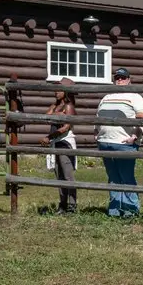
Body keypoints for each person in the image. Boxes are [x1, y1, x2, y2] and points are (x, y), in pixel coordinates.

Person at [95, 68, 143, 218]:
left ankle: (131, 209)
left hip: (124, 142)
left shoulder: (135, 97)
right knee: (113, 177)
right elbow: (98, 116)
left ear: (129, 79)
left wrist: (135, 135)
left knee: (126, 176)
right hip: (105, 142)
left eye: (123, 77)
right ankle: (115, 209)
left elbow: (142, 117)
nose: (120, 80)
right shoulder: (106, 97)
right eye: (117, 77)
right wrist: (96, 133)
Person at [43, 78, 78, 215]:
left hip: (65, 142)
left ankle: (72, 206)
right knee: (59, 175)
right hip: (56, 141)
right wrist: (58, 114)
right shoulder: (55, 106)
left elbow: (66, 127)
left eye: (59, 89)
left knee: (68, 175)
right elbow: (46, 117)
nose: (56, 92)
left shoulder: (68, 107)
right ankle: (62, 205)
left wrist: (49, 137)